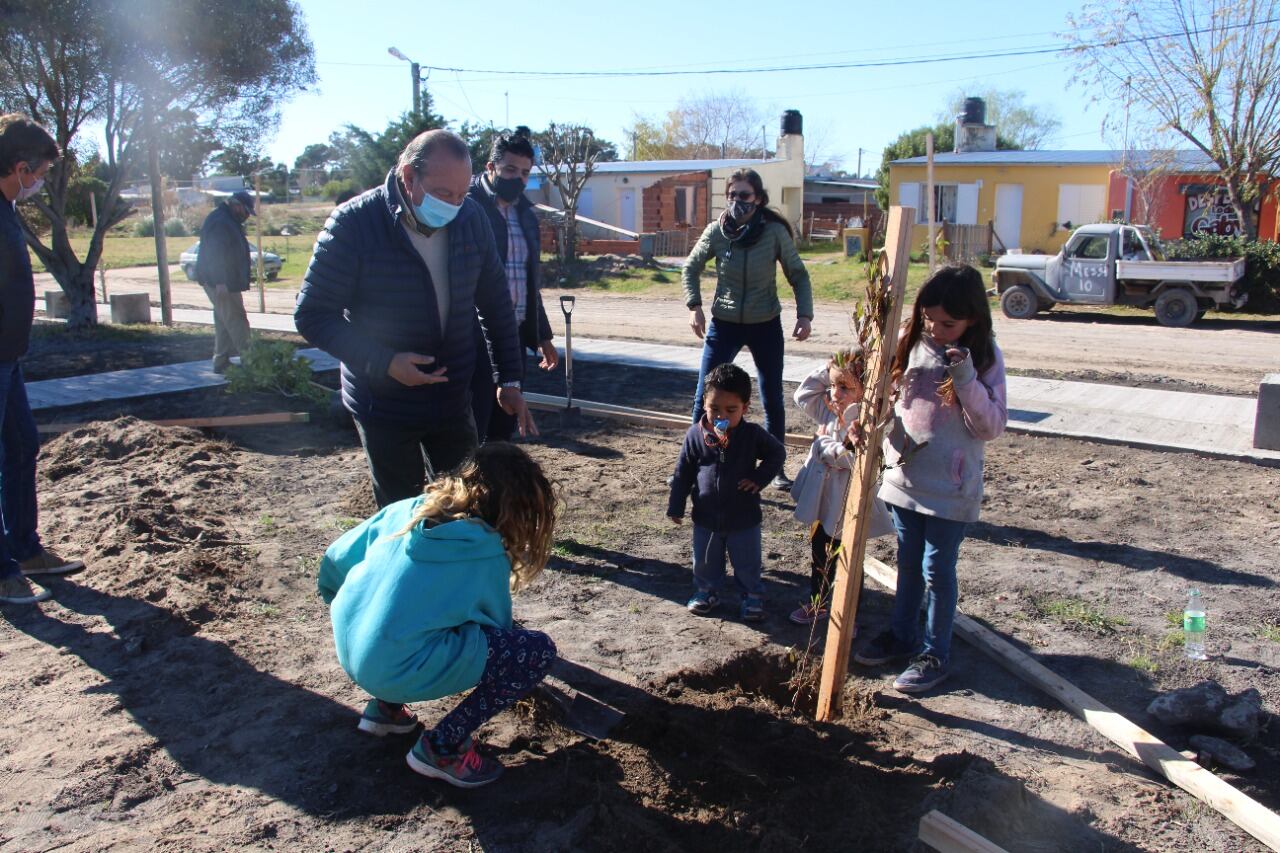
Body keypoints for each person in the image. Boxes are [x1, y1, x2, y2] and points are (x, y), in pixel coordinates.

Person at [295, 129, 536, 508]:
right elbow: (312, 315)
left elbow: (496, 304)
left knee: (464, 506)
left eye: (461, 194)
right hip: (384, 403)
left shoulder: (470, 218)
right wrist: (385, 362)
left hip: (452, 397)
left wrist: (509, 379)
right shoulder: (353, 224)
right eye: (444, 195)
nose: (454, 206)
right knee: (401, 513)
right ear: (409, 177)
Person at [318, 442, 557, 788]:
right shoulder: (484, 550)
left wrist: (352, 609)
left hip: (352, 648)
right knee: (534, 652)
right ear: (516, 508)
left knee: (410, 615)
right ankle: (443, 747)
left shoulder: (409, 510)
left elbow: (336, 559)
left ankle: (386, 710)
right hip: (394, 667)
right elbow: (492, 628)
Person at [853, 265, 1007, 693]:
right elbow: (886, 396)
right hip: (905, 480)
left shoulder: (985, 358)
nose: (936, 330)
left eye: (948, 323)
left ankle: (934, 653)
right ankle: (902, 636)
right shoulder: (909, 343)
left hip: (950, 489)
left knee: (937, 570)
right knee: (907, 565)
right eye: (929, 320)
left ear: (973, 318)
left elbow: (991, 426)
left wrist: (966, 380)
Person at [682, 168, 813, 491]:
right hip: (724, 323)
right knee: (704, 396)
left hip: (764, 323)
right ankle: (695, 461)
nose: (737, 201)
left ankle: (775, 468)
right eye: (732, 196)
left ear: (758, 199)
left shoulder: (772, 233)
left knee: (772, 397)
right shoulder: (717, 232)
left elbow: (797, 272)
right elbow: (691, 266)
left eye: (744, 196)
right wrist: (694, 306)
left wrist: (804, 315)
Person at [0, 114, 84, 606]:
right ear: (20, 166)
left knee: (22, 446)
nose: (40, 183)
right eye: (40, 173)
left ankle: (25, 549)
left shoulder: (7, 207)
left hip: (10, 358)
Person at [667, 363, 785, 622]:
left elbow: (777, 453)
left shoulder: (752, 435)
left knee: (747, 562)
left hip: (744, 518)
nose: (721, 415)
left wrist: (759, 478)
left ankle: (752, 595)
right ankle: (707, 592)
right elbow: (683, 472)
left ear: (745, 407)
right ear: (704, 404)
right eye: (714, 409)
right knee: (706, 560)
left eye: (731, 410)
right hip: (706, 517)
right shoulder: (695, 436)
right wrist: (676, 506)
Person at [787, 346, 894, 626]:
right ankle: (818, 604)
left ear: (866, 388)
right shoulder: (830, 408)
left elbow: (857, 460)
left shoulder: (868, 420)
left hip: (846, 501)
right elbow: (803, 394)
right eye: (834, 385)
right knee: (820, 553)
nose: (836, 392)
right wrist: (831, 368)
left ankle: (848, 617)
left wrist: (826, 447)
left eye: (845, 387)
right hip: (823, 500)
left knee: (849, 558)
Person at [467, 132, 558, 443]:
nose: (517, 178)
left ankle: (495, 487)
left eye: (524, 173)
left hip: (514, 336)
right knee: (473, 424)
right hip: (474, 338)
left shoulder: (527, 216)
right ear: (490, 167)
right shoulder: (467, 209)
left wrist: (541, 334)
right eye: (509, 170)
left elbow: (530, 282)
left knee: (504, 424)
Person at [196, 189, 256, 374]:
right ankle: (251, 362)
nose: (247, 216)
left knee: (224, 319)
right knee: (236, 320)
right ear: (236, 205)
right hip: (221, 282)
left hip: (225, 281)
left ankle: (221, 361)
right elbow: (216, 254)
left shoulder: (227, 219)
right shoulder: (221, 222)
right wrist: (220, 282)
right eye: (246, 211)